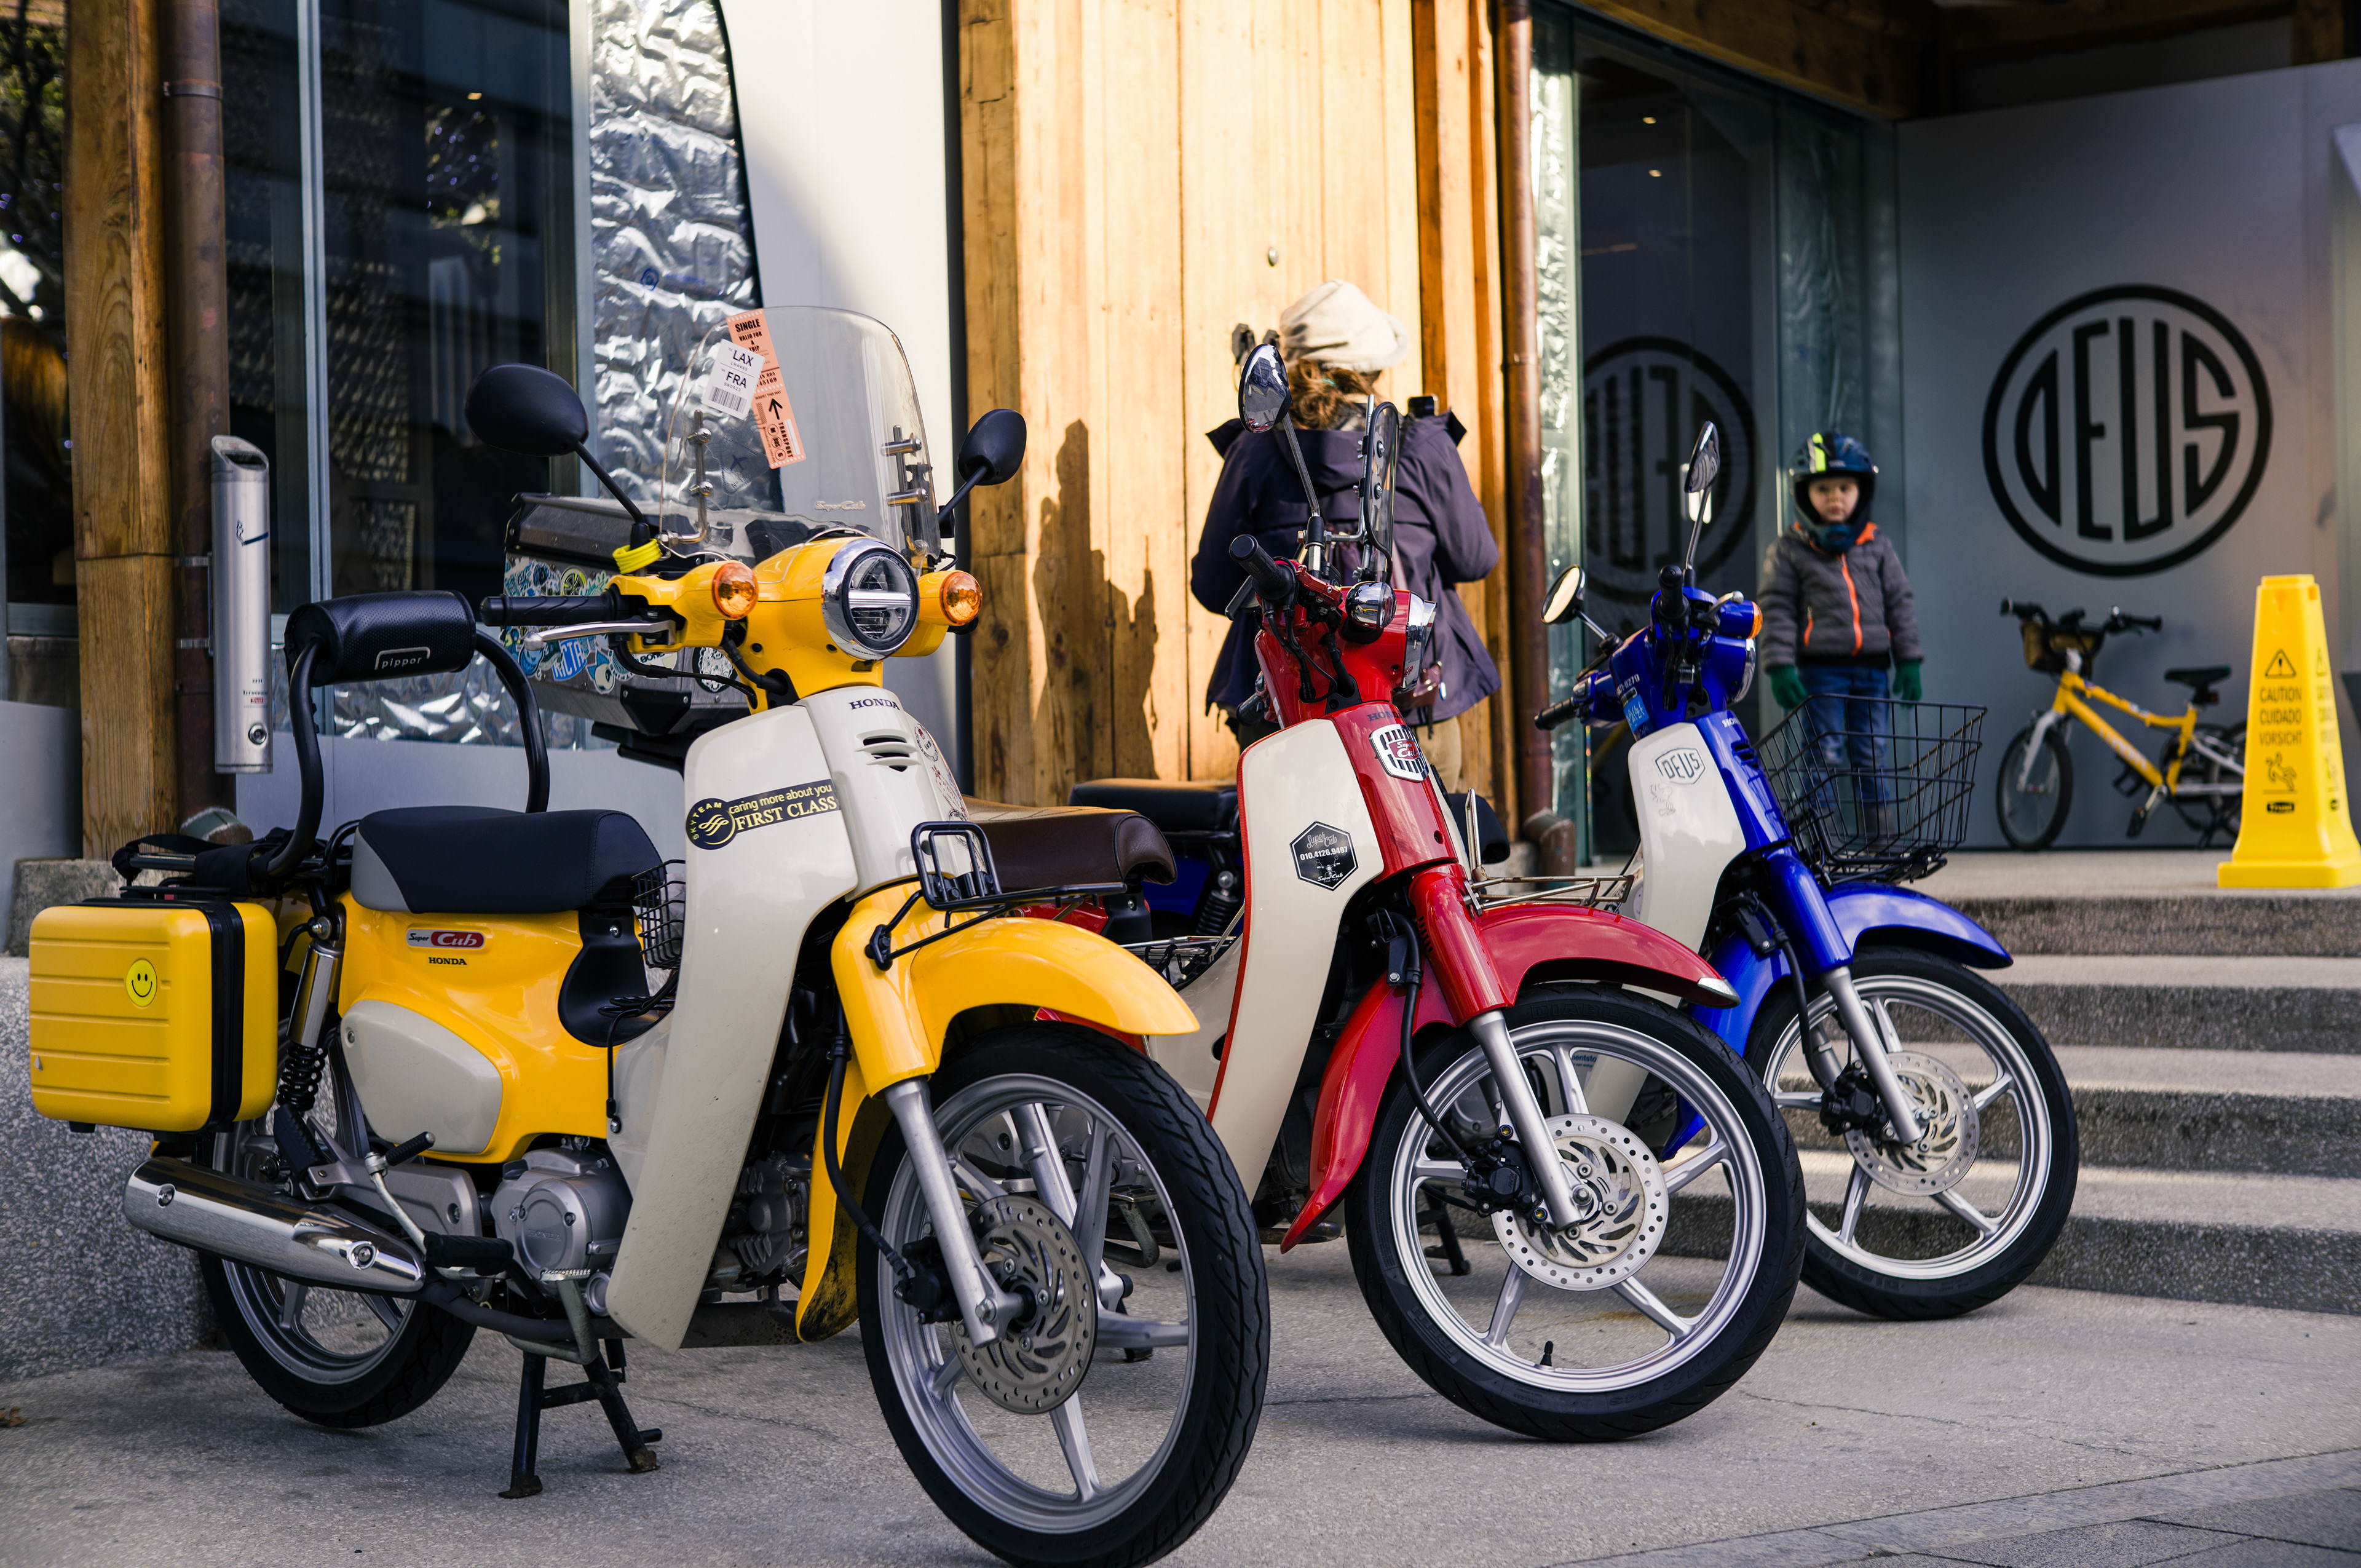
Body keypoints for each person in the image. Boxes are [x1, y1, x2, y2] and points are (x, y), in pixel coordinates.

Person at [1190, 280, 1500, 789]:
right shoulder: (1423, 447)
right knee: (1423, 837)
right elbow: (1475, 559)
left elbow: (1214, 586)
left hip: (1283, 708)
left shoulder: (1255, 450)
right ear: (1373, 367)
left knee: (1291, 837)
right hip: (1409, 706)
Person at [1758, 432, 1922, 824]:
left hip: (1873, 671)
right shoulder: (1789, 549)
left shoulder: (1877, 544)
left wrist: (1909, 660)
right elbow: (1777, 608)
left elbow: (1900, 603)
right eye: (1823, 489)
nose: (1835, 498)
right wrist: (1780, 666)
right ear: (1804, 494)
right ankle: (1823, 842)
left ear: (1861, 492)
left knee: (1872, 754)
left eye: (1845, 488)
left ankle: (1880, 842)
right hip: (1822, 672)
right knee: (1824, 754)